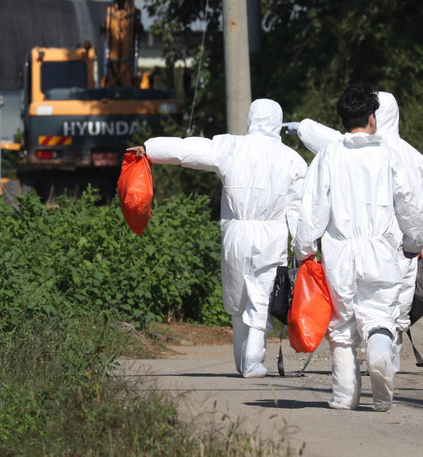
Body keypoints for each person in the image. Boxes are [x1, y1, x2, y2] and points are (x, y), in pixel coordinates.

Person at [128, 98, 307, 378]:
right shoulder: (293, 160)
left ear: (250, 119)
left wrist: (149, 148)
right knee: (261, 295)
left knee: (237, 297)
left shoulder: (231, 147)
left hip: (236, 232)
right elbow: (297, 210)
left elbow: (187, 150)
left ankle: (241, 360)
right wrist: (304, 248)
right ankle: (252, 360)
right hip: (270, 233)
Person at [293, 84, 423, 411]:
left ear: (343, 119)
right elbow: (411, 206)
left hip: (339, 252)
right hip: (383, 251)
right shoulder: (391, 156)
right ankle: (380, 361)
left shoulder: (328, 155)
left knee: (341, 326)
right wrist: (414, 242)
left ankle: (344, 396)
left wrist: (304, 251)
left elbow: (312, 209)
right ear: (372, 118)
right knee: (380, 316)